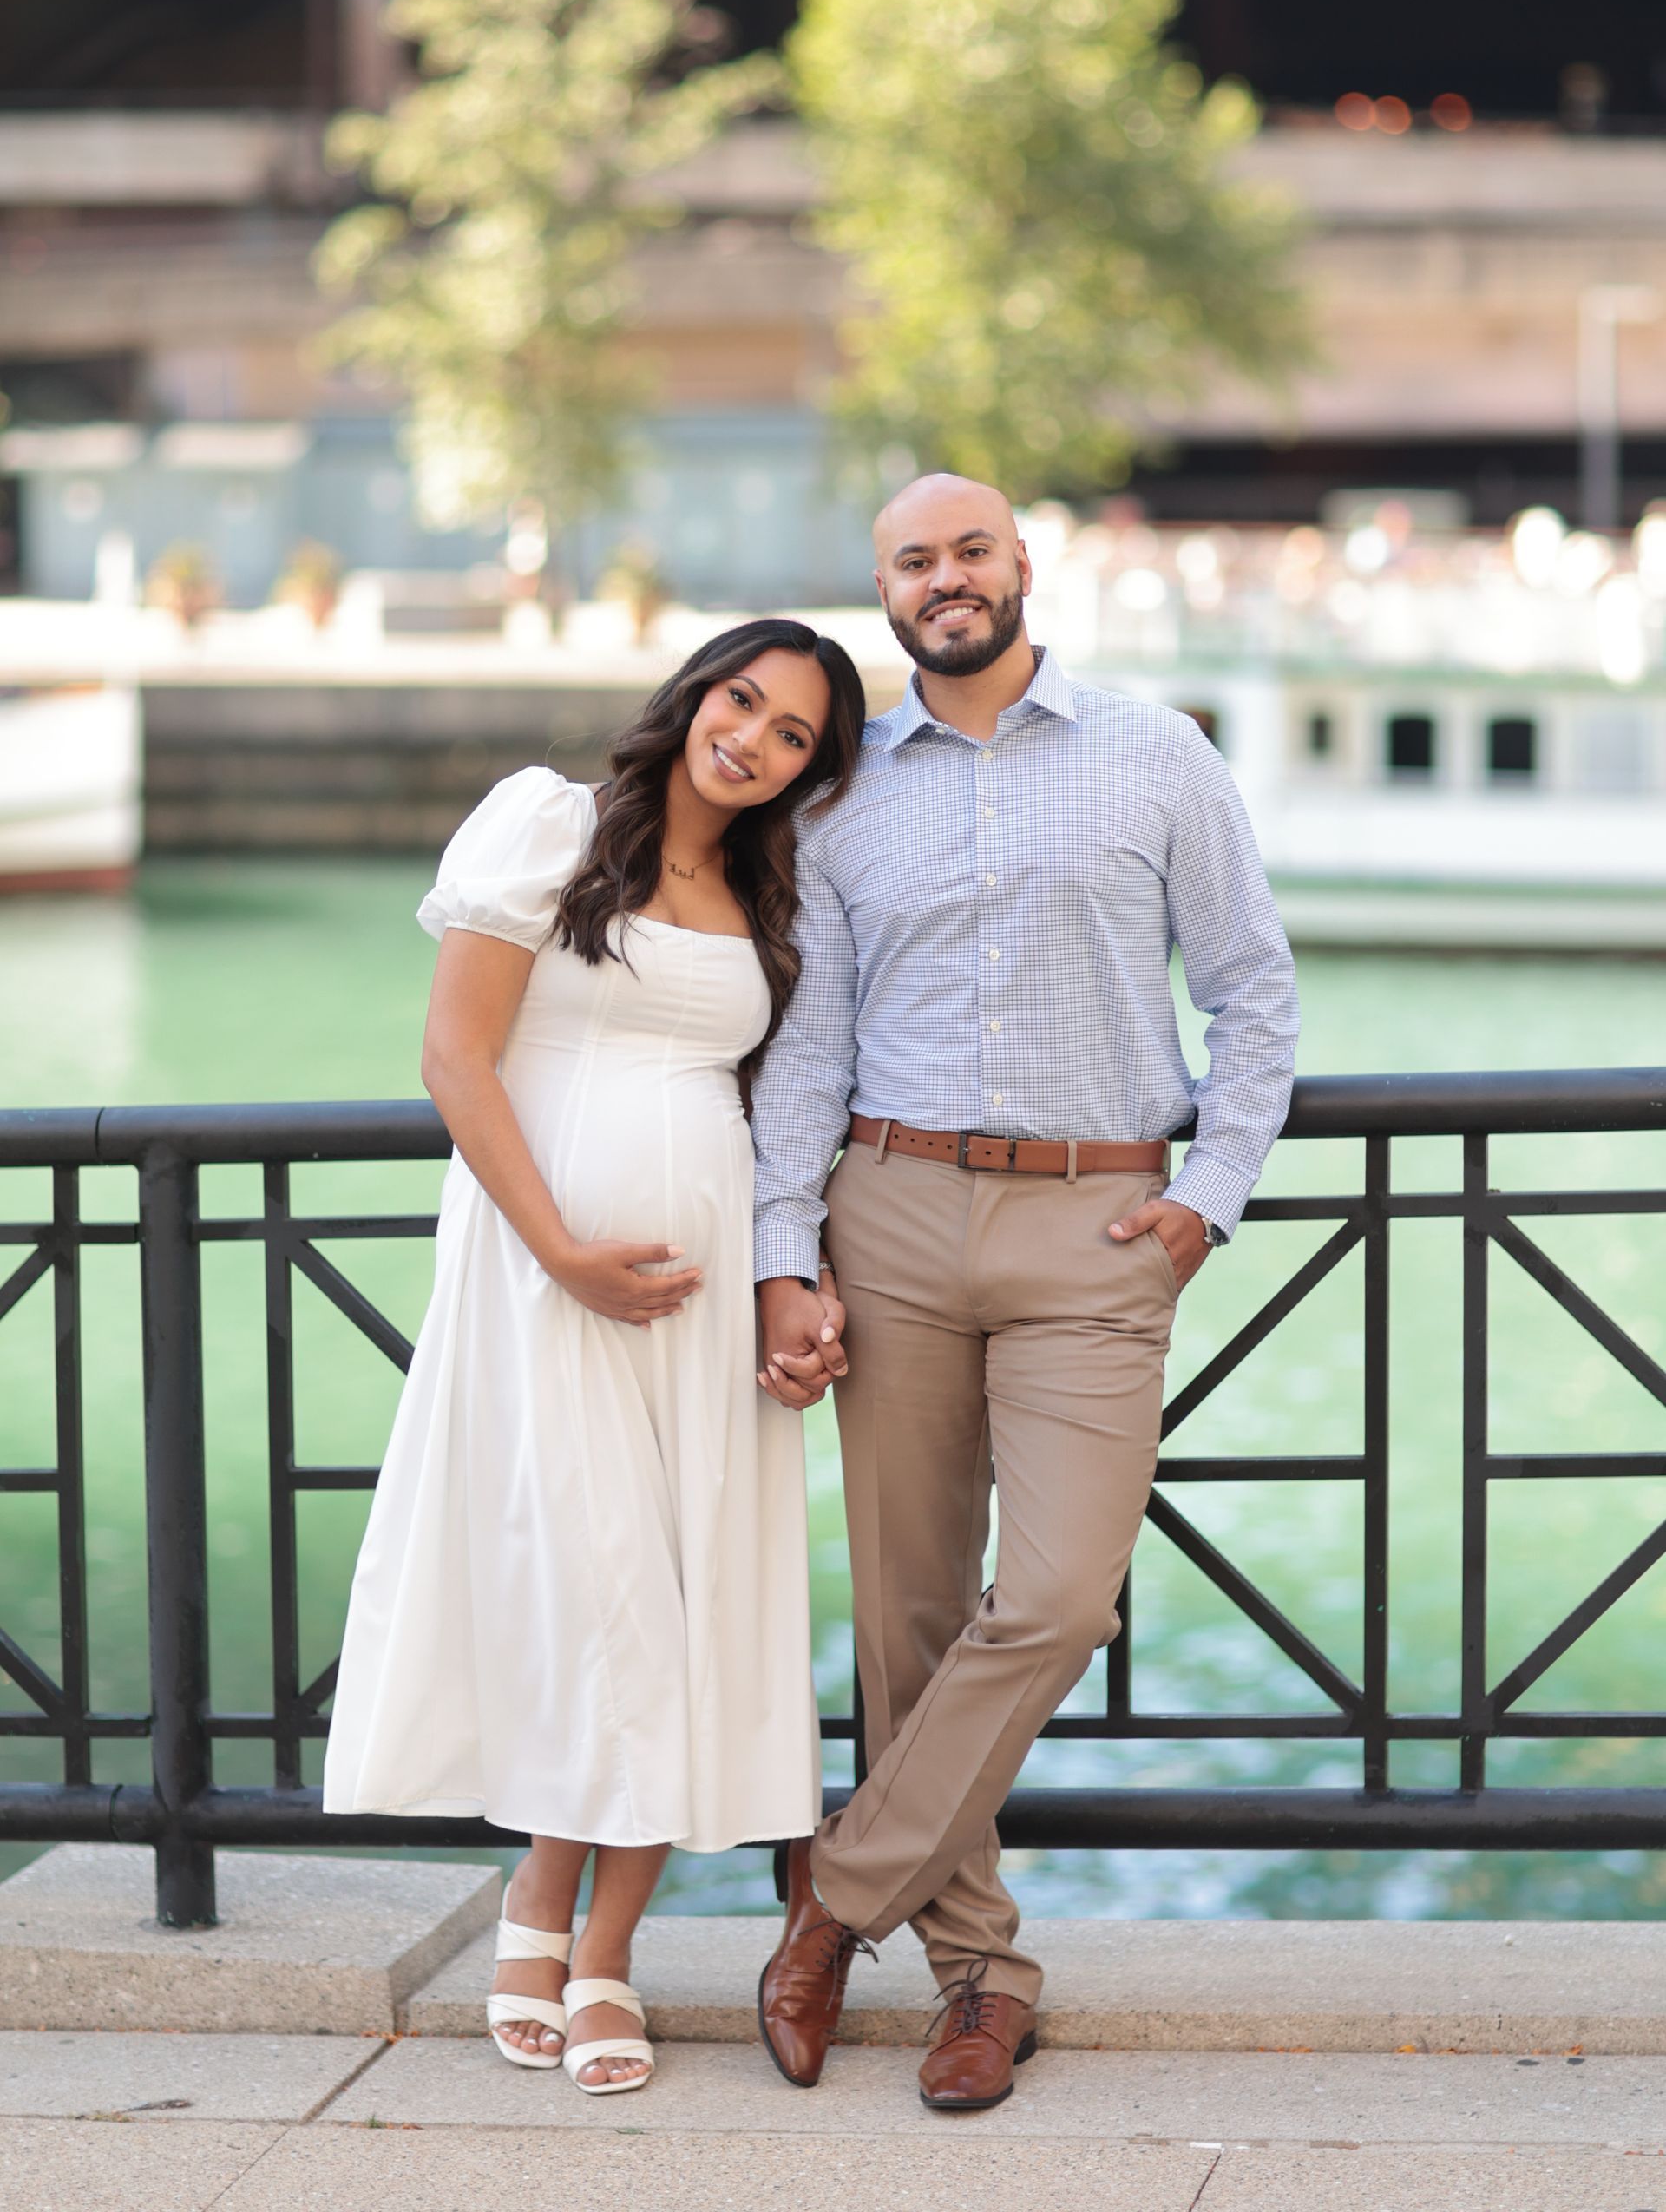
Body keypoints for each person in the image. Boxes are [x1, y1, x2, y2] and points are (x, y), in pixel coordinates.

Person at [749, 473, 1299, 2110]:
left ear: (1023, 566)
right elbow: (810, 1051)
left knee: (1059, 1599)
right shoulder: (839, 797)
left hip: (1097, 1229)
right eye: (913, 561)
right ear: (885, 592)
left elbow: (1253, 992)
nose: (947, 579)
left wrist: (1209, 1195)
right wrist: (785, 1250)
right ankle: (980, 1980)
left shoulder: (1158, 754)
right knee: (910, 1618)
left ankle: (835, 1892)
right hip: (891, 1214)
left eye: (970, 550)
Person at [324, 618, 863, 2097]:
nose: (751, 740)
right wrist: (561, 1250)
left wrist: (789, 1275)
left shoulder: (772, 891)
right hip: (543, 1274)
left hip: (707, 1298)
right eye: (741, 701)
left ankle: (598, 1943)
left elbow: (787, 1106)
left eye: (793, 735)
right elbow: (456, 1057)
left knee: (687, 1600)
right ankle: (541, 1904)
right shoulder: (550, 824)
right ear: (693, 696)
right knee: (602, 1594)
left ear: (810, 770)